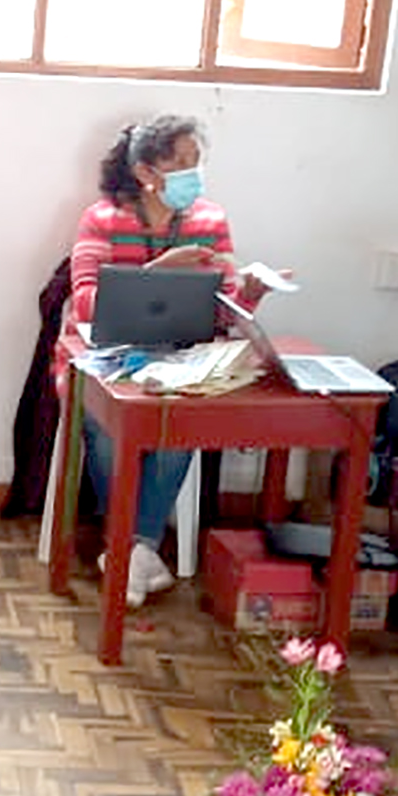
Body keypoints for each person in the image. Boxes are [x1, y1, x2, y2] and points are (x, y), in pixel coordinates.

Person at [54, 114, 271, 606]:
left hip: (180, 357)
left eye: (198, 162)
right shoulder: (102, 219)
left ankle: (130, 550)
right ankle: (136, 551)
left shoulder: (209, 221)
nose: (194, 174)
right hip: (102, 355)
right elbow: (85, 304)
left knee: (181, 426)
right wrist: (156, 272)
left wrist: (251, 294)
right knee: (107, 427)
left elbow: (223, 310)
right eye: (181, 163)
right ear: (145, 172)